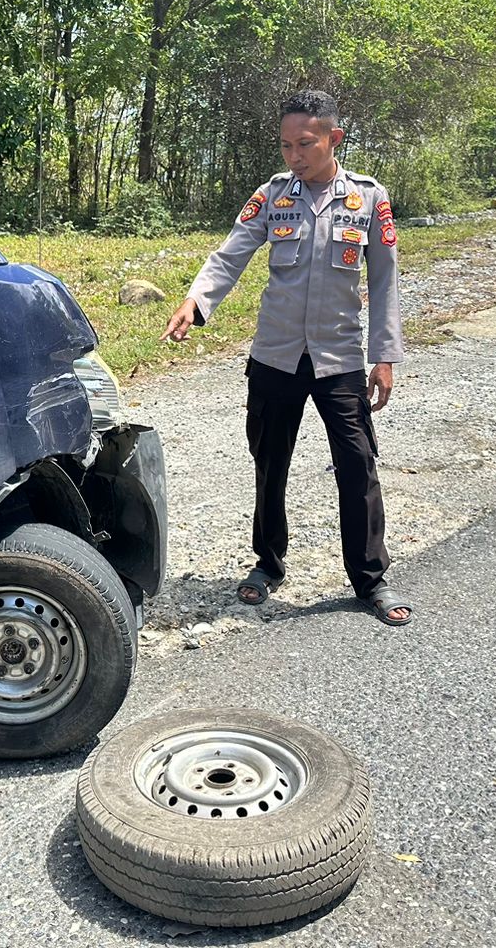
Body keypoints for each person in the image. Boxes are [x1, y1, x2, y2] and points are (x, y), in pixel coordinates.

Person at [162, 90, 412, 626]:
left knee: (357, 464)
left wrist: (384, 356)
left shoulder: (368, 199)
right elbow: (231, 252)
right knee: (270, 461)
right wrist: (196, 300)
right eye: (285, 145)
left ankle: (370, 578)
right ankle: (267, 564)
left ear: (334, 139)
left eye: (305, 143)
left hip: (338, 356)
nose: (294, 155)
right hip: (275, 355)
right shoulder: (274, 195)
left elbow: (386, 280)